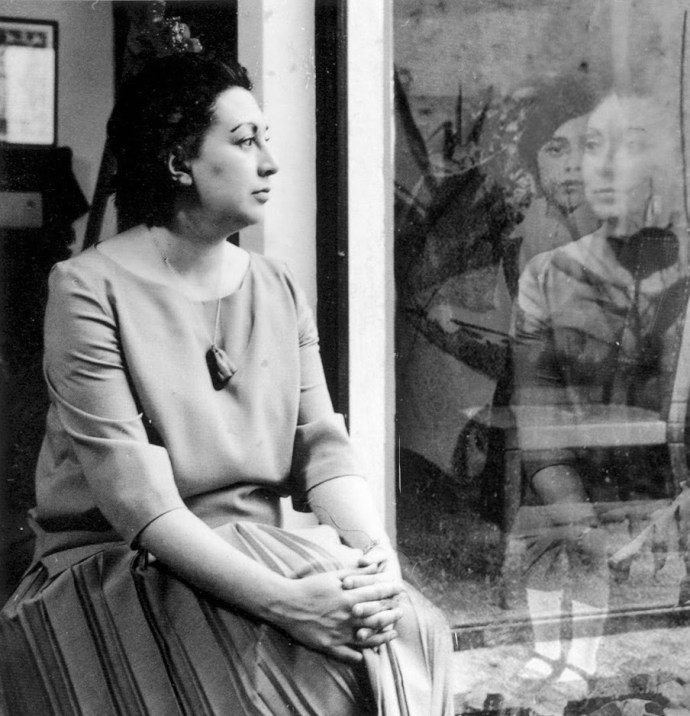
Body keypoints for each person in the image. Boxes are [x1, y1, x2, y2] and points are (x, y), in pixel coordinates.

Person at [0, 54, 452, 715]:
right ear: (177, 161)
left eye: (267, 139)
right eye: (244, 142)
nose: (271, 163)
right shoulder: (87, 288)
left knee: (412, 627)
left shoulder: (277, 285)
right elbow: (138, 503)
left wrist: (377, 554)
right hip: (127, 561)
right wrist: (289, 604)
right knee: (314, 676)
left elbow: (322, 448)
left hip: (260, 550)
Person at [507, 91, 688, 703]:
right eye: (592, 146)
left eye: (630, 145)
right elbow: (538, 414)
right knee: (552, 532)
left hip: (658, 486)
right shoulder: (545, 275)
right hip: (574, 471)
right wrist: (569, 504)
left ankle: (580, 659)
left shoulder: (682, 277)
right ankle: (552, 653)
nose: (604, 165)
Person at [505, 75, 601, 296]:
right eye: (556, 150)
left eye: (589, 146)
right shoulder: (515, 249)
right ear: (533, 162)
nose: (574, 164)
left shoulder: (623, 243)